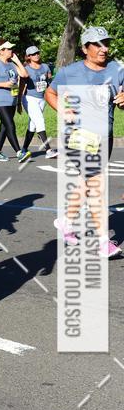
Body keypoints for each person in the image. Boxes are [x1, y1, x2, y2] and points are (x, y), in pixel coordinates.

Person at [45, 26, 124, 258]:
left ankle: (66, 221)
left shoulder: (117, 69)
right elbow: (51, 93)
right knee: (96, 184)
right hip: (79, 137)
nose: (104, 49)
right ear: (85, 48)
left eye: (106, 43)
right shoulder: (70, 72)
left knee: (86, 182)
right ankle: (102, 242)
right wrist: (63, 110)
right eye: (97, 44)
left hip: (104, 136)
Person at [0, 41, 30, 163]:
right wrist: (3, 84)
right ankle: (19, 152)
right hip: (0, 101)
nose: (11, 51)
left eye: (11, 49)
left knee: (4, 127)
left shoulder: (12, 64)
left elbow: (24, 75)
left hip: (12, 101)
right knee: (10, 125)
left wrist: (17, 60)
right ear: (1, 51)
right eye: (8, 49)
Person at [18, 46, 58, 158]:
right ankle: (48, 150)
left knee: (33, 125)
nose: (36, 55)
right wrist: (18, 102)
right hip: (29, 99)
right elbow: (21, 86)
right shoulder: (26, 69)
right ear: (29, 57)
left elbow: (49, 81)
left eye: (37, 53)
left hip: (41, 98)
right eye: (33, 54)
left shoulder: (45, 67)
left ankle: (24, 149)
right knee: (40, 120)